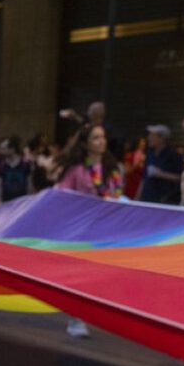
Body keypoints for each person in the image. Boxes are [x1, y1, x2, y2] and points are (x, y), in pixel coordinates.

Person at [54, 124, 124, 338]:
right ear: (85, 143)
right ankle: (76, 318)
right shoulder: (77, 170)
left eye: (102, 137)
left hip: (105, 228)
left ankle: (90, 313)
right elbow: (61, 195)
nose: (101, 141)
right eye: (95, 138)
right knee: (80, 274)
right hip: (81, 230)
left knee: (97, 274)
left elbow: (118, 195)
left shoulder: (113, 169)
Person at [136, 124, 184, 205]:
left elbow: (180, 178)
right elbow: (144, 178)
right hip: (146, 199)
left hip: (164, 201)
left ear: (161, 138)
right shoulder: (149, 153)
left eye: (152, 136)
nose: (149, 138)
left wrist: (161, 174)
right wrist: (137, 198)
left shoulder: (174, 156)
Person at [0, 135, 32, 204]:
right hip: (6, 202)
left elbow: (29, 184)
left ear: (12, 149)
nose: (0, 151)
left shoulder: (25, 165)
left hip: (22, 202)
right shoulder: (1, 165)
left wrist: (28, 202)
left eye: (4, 148)